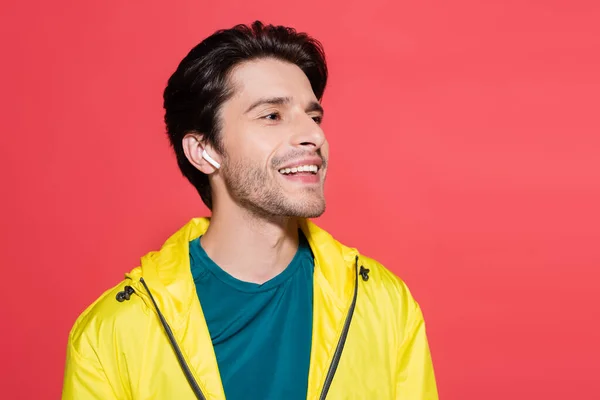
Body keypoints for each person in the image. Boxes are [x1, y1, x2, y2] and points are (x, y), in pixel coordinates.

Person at [62, 21, 438, 400]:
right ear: (204, 151)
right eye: (272, 116)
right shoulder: (112, 334)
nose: (315, 135)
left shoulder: (386, 306)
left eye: (314, 116)